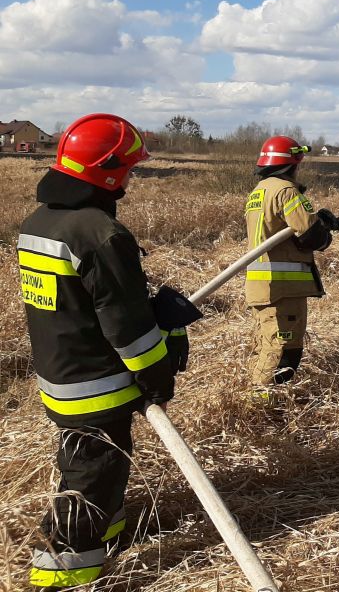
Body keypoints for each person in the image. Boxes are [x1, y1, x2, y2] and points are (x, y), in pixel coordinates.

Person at [18, 113, 195, 590]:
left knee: (101, 469)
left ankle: (109, 542)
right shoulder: (100, 233)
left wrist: (150, 307)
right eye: (129, 169)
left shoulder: (42, 222)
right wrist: (158, 373)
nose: (131, 179)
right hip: (97, 386)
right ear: (108, 171)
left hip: (61, 374)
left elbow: (81, 304)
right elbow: (127, 330)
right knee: (89, 482)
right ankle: (58, 579)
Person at [244, 135, 339, 388]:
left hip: (261, 288)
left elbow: (285, 232)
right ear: (294, 162)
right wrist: (324, 228)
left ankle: (256, 406)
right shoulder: (286, 192)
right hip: (283, 289)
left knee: (265, 348)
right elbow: (312, 238)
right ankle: (266, 409)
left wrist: (317, 222)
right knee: (283, 354)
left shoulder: (258, 193)